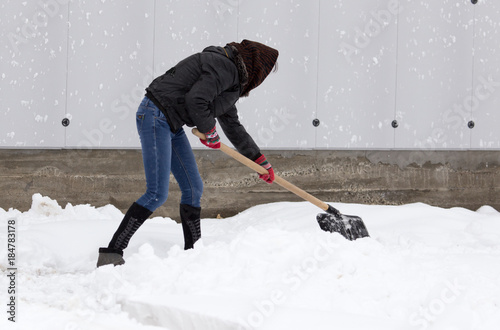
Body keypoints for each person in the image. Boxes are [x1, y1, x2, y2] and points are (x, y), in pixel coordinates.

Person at [97, 40, 279, 267]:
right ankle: (112, 252)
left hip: (170, 122)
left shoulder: (229, 79)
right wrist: (209, 130)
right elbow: (197, 100)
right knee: (156, 193)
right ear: (256, 69)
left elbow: (232, 125)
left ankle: (194, 254)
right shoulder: (224, 67)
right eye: (265, 74)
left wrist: (259, 161)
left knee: (194, 188)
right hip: (155, 115)